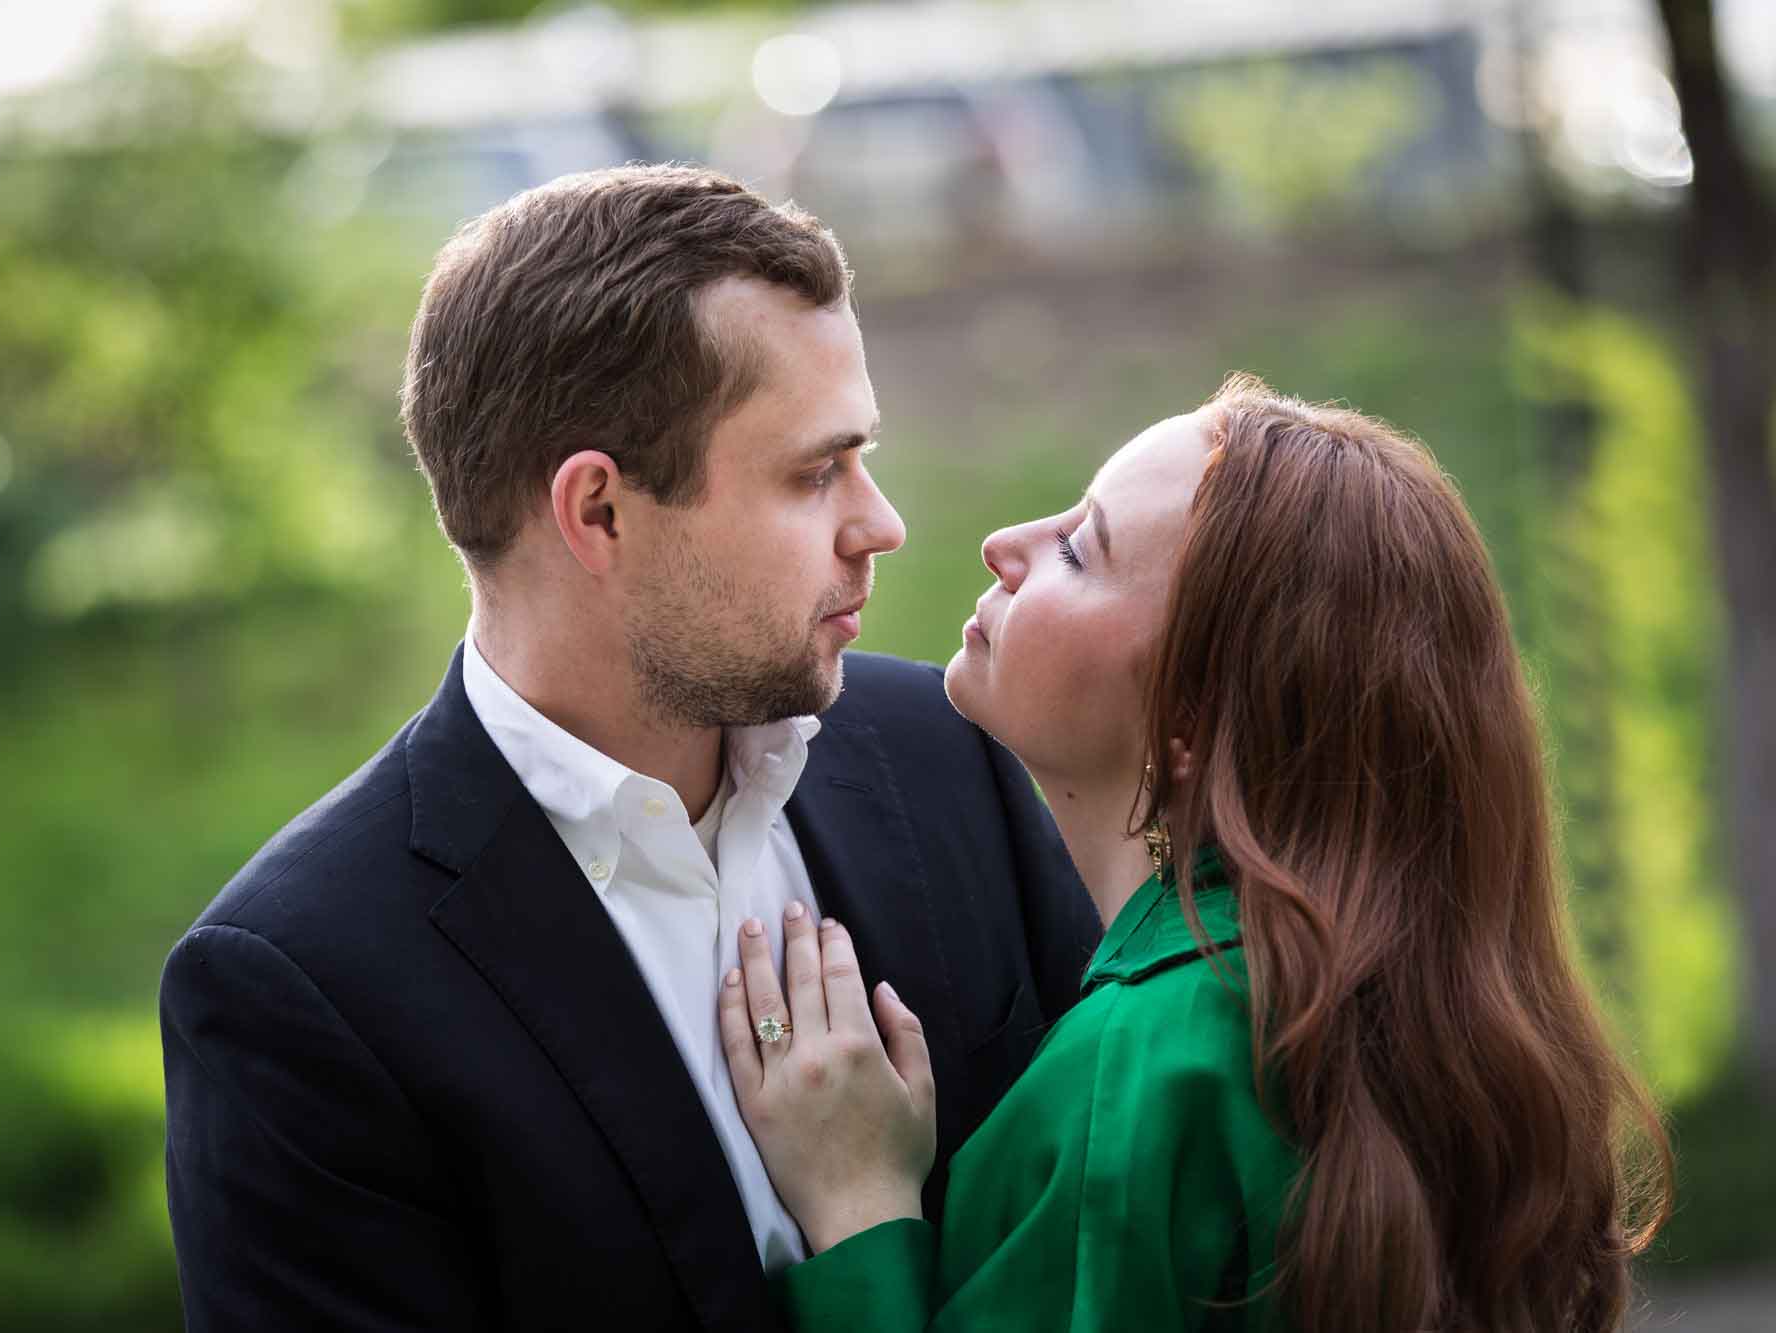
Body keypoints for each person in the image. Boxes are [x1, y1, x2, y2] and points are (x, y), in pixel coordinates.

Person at [157, 165, 1101, 1331]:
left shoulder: (951, 756)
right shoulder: (297, 992)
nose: (881, 523)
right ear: (596, 510)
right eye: (814, 473)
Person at [720, 376, 1673, 1332]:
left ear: (1190, 715)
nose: (1005, 546)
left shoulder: (1143, 1070)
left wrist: (858, 1210)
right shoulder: (1422, 1023)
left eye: (1078, 551)